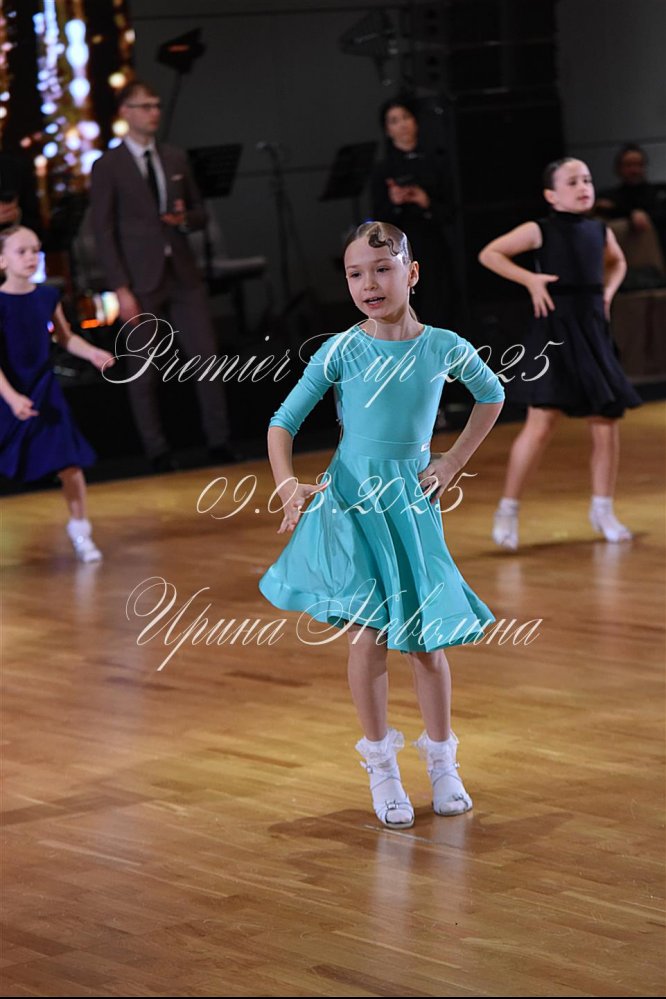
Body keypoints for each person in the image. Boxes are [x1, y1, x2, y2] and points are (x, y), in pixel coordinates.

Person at [258, 220, 505, 829]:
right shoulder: (341, 350)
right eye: (355, 274)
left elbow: (492, 394)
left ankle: (443, 763)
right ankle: (382, 767)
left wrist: (451, 461)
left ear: (411, 273)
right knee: (368, 633)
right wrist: (286, 484)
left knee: (424, 640)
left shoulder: (443, 345)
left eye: (382, 269)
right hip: (350, 501)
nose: (369, 284)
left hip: (411, 502)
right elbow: (282, 423)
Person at [478, 158, 642, 551]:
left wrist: (607, 293)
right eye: (572, 182)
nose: (583, 187)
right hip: (554, 332)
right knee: (541, 424)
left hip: (592, 332)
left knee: (606, 421)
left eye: (587, 179)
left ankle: (602, 509)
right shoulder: (540, 229)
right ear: (551, 195)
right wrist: (530, 279)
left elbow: (618, 262)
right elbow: (491, 254)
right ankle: (508, 509)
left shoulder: (599, 230)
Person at [89, 80, 240, 472]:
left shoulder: (174, 157)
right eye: (145, 106)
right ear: (125, 112)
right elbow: (103, 231)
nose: (153, 112)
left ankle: (219, 440)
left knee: (206, 358)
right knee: (143, 368)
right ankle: (155, 449)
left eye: (156, 105)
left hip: (182, 270)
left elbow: (199, 212)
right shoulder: (108, 165)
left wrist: (184, 219)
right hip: (140, 279)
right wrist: (120, 288)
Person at [0, 226, 114, 561]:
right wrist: (11, 398)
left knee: (69, 461)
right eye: (21, 251)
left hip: (43, 390)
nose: (31, 257)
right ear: (2, 260)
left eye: (35, 250)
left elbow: (64, 337)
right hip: (8, 391)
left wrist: (91, 353)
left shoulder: (47, 296)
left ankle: (81, 530)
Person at [371, 97, 457, 328]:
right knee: (408, 306)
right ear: (387, 130)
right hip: (398, 249)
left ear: (415, 121)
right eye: (394, 121)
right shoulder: (383, 169)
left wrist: (425, 201)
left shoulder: (437, 161)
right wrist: (395, 202)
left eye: (406, 117)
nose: (402, 125)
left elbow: (451, 211)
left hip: (434, 243)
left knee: (440, 303)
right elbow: (377, 220)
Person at [595, 143, 666, 257]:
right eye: (628, 165)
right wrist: (630, 214)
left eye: (638, 165)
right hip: (623, 256)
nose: (634, 170)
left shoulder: (658, 193)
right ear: (618, 169)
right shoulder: (610, 196)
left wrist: (644, 216)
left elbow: (660, 214)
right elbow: (600, 208)